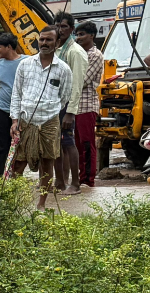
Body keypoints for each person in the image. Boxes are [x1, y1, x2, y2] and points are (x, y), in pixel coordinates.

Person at [11, 26, 73, 210]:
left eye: (49, 40)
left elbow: (64, 97)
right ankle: (16, 202)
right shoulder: (25, 64)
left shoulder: (63, 69)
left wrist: (49, 110)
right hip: (25, 120)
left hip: (49, 121)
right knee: (18, 164)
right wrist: (15, 121)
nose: (44, 43)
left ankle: (42, 204)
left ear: (57, 43)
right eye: (42, 39)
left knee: (48, 163)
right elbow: (16, 94)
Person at [53, 12, 88, 195]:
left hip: (67, 106)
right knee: (56, 145)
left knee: (68, 143)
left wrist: (71, 111)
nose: (60, 30)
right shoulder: (57, 50)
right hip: (54, 105)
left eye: (64, 26)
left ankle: (75, 183)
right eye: (57, 26)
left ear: (72, 29)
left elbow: (77, 84)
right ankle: (59, 181)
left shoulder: (75, 52)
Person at [0, 33, 23, 177]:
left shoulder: (26, 62)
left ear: (9, 47)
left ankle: (14, 183)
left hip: (20, 113)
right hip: (0, 111)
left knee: (19, 151)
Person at [74, 20, 104, 188]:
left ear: (91, 36)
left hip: (87, 105)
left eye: (82, 34)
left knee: (86, 143)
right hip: (75, 106)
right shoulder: (78, 53)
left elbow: (84, 80)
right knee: (77, 144)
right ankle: (80, 176)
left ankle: (88, 179)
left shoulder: (95, 55)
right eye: (77, 34)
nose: (79, 38)